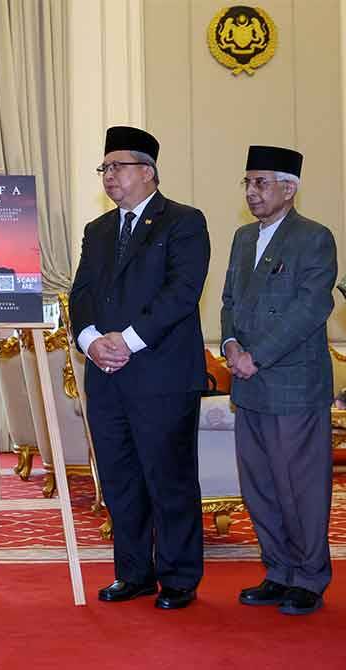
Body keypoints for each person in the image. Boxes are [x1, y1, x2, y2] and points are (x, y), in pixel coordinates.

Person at [69, 126, 210, 610]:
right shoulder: (98, 230)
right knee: (120, 478)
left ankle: (178, 577)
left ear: (147, 172)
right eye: (104, 168)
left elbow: (180, 294)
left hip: (162, 375)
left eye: (118, 167)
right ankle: (133, 572)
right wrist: (90, 341)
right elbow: (81, 295)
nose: (109, 176)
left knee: (167, 477)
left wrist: (125, 341)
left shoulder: (184, 223)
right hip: (106, 376)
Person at [221, 145, 336, 615]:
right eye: (247, 182)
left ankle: (309, 577)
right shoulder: (243, 237)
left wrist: (258, 356)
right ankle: (278, 570)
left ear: (289, 188)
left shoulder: (314, 237)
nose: (251, 192)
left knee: (301, 486)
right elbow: (228, 299)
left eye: (261, 182)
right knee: (260, 485)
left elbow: (312, 308)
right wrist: (229, 346)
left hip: (291, 384)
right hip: (248, 383)